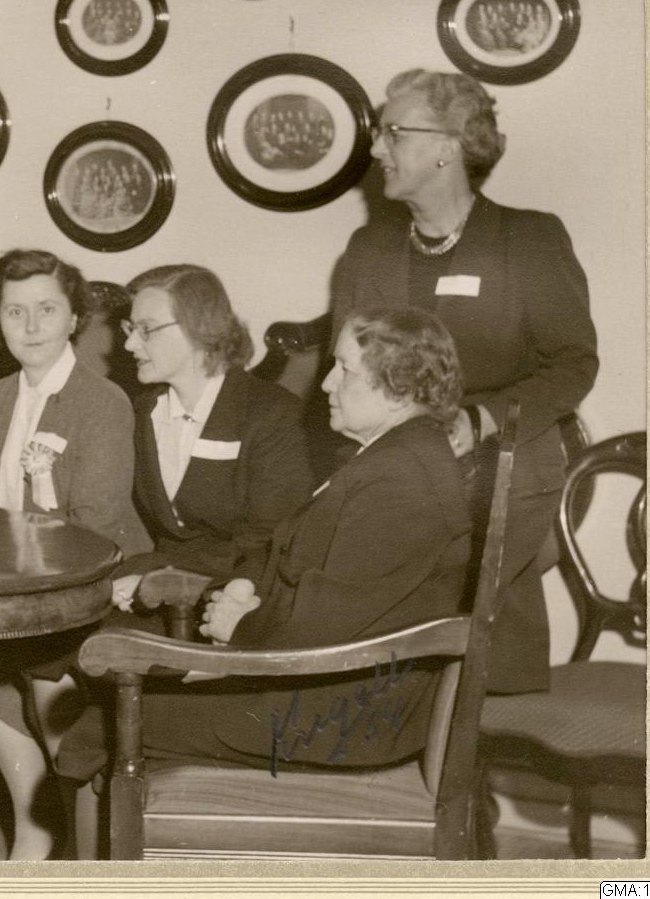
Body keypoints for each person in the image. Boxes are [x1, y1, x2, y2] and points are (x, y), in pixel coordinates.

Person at [60, 307, 474, 857]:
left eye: (344, 369)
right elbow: (298, 558)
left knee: (101, 724)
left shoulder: (402, 479)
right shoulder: (394, 455)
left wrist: (242, 625)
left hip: (342, 715)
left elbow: (324, 624)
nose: (325, 384)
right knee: (117, 703)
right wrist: (242, 587)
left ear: (397, 388)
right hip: (331, 690)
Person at [331, 69, 598, 693]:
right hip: (395, 458)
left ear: (448, 147)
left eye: (394, 133)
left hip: (503, 453)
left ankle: (462, 706)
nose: (377, 149)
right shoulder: (368, 248)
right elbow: (344, 375)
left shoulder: (528, 238)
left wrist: (479, 421)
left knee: (452, 578)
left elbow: (573, 363)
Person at [0, 248, 142, 861]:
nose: (32, 325)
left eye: (47, 309)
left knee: (44, 671)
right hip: (9, 591)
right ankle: (35, 827)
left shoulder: (103, 402)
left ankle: (74, 839)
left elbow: (95, 533)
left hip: (86, 589)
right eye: (15, 312)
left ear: (74, 318)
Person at [109, 265, 312, 613]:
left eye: (146, 330)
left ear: (198, 329)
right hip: (162, 586)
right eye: (130, 328)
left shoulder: (270, 413)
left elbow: (270, 545)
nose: (129, 344)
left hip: (242, 598)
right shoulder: (144, 411)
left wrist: (159, 581)